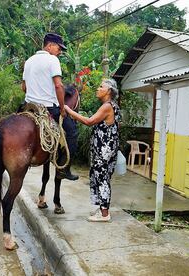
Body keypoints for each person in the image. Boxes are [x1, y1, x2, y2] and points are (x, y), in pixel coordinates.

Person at [21, 33, 78, 180]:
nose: (59, 52)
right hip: (48, 108)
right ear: (50, 45)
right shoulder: (53, 60)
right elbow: (58, 86)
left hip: (28, 106)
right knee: (72, 132)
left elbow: (23, 87)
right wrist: (62, 108)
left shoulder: (29, 61)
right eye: (59, 48)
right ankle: (64, 169)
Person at [64, 79, 120, 222]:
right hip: (106, 148)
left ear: (108, 91)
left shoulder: (107, 106)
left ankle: (104, 214)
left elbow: (89, 122)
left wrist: (69, 110)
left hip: (104, 149)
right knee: (100, 177)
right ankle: (102, 208)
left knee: (102, 178)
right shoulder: (112, 106)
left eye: (101, 87)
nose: (98, 88)